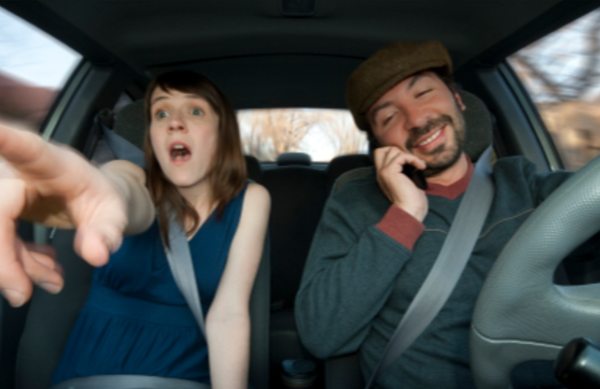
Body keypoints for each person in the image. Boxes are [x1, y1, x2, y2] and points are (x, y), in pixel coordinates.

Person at [294, 40, 584, 388]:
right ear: (379, 143)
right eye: (389, 117)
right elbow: (321, 333)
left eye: (424, 93)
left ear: (458, 100)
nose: (416, 119)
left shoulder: (524, 183)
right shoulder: (355, 203)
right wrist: (405, 214)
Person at [0, 71, 270, 389]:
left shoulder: (251, 199)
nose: (175, 122)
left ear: (222, 132)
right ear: (153, 136)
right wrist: (101, 187)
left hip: (185, 378)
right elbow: (122, 190)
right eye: (161, 113)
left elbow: (228, 314)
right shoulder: (131, 174)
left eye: (195, 111)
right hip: (91, 375)